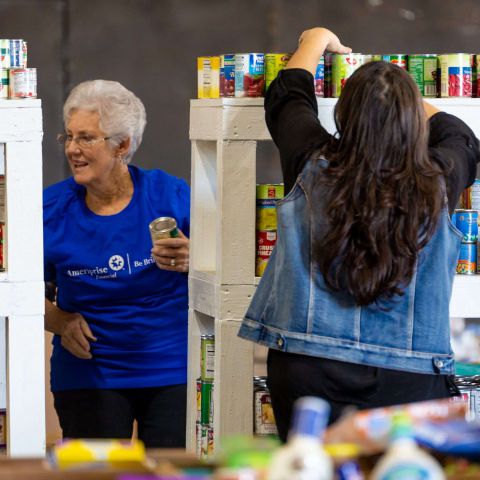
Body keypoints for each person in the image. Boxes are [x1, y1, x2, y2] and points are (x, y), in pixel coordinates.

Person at [238, 27, 480, 441]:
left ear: (345, 116)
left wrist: (316, 40)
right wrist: (398, 94)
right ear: (410, 121)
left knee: (311, 469)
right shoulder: (439, 177)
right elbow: (461, 136)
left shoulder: (311, 162)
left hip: (307, 368)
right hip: (410, 375)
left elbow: (287, 97)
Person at [43, 79, 190, 447]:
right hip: (88, 373)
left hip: (171, 369)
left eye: (87, 138)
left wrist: (197, 256)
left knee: (172, 474)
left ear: (122, 145)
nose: (73, 149)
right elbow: (17, 290)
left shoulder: (170, 196)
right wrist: (59, 320)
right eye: (69, 137)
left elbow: (231, 265)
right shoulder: (48, 210)